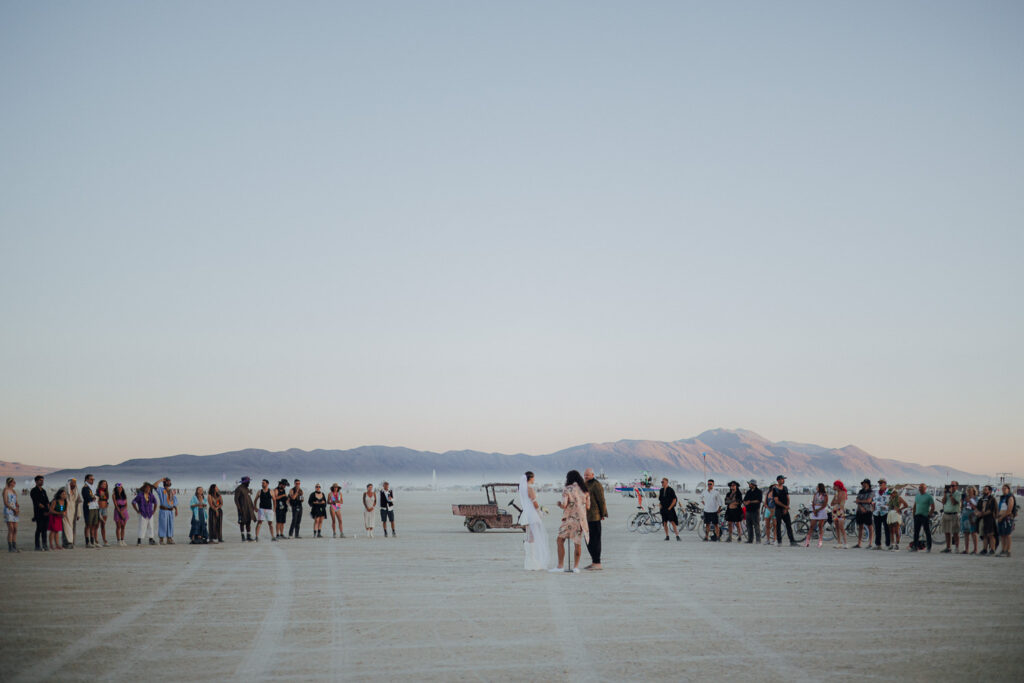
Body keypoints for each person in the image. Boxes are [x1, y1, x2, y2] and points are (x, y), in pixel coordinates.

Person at [551, 470, 589, 573]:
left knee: (560, 540)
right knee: (577, 543)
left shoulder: (567, 489)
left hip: (570, 519)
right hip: (581, 520)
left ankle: (560, 566)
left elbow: (564, 505)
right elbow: (588, 506)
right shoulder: (585, 490)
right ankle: (576, 567)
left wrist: (559, 504)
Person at [520, 471, 549, 571]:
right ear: (530, 478)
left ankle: (529, 560)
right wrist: (539, 512)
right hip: (532, 513)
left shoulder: (523, 489)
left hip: (526, 513)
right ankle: (532, 561)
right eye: (533, 478)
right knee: (532, 537)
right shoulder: (529, 488)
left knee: (528, 536)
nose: (534, 479)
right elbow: (534, 502)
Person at [583, 468, 608, 569]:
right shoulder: (584, 484)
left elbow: (601, 500)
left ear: (593, 475)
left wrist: (603, 513)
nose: (586, 476)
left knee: (595, 540)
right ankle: (594, 561)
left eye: (587, 475)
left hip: (595, 516)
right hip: (585, 517)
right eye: (585, 475)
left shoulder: (596, 484)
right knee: (588, 540)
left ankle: (597, 563)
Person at [773, 475, 797, 546]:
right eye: (782, 479)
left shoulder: (785, 488)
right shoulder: (775, 489)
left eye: (783, 479)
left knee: (788, 525)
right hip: (778, 509)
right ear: (778, 480)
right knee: (778, 525)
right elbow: (776, 501)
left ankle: (792, 541)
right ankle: (779, 541)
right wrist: (785, 506)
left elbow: (788, 498)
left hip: (785, 509)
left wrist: (786, 508)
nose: (783, 480)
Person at [911, 483, 935, 552]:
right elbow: (915, 506)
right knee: (916, 532)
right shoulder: (917, 496)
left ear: (925, 488)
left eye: (921, 487)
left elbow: (933, 507)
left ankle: (929, 547)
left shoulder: (929, 497)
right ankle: (915, 546)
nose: (920, 489)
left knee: (927, 532)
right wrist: (914, 515)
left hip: (924, 516)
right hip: (917, 516)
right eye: (919, 487)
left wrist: (929, 515)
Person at [940, 481, 962, 553]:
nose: (951, 487)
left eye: (953, 485)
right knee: (947, 532)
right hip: (946, 513)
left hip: (954, 514)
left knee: (955, 532)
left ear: (956, 486)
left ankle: (957, 548)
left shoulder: (958, 494)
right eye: (950, 485)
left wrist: (951, 494)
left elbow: (954, 502)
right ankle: (948, 547)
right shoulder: (947, 493)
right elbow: (943, 502)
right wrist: (945, 494)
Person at [30, 475, 50, 551]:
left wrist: (48, 510)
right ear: (36, 481)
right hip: (39, 513)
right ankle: (37, 546)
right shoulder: (33, 491)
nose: (42, 482)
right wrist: (45, 509)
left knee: (45, 529)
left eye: (42, 480)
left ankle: (45, 545)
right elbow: (37, 503)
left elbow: (47, 501)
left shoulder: (43, 491)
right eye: (40, 480)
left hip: (46, 512)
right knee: (39, 529)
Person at [806, 483, 828, 548]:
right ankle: (807, 541)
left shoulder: (825, 495)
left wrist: (817, 510)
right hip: (815, 510)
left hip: (821, 510)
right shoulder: (815, 494)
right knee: (811, 526)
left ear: (820, 487)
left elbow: (824, 504)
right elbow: (813, 503)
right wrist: (814, 510)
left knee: (820, 526)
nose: (816, 488)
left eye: (817, 487)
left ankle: (820, 542)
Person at [996, 484, 1015, 558]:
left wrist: (1002, 517)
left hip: (1007, 518)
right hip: (1001, 517)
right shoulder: (1002, 497)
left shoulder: (1010, 497)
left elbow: (1009, 510)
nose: (1003, 490)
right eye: (1002, 488)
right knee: (1002, 535)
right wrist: (998, 516)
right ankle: (1003, 549)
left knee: (1008, 534)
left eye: (1005, 488)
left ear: (1008, 489)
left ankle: (1008, 550)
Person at [871, 479, 892, 550]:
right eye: (879, 483)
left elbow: (891, 500)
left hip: (885, 512)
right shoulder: (876, 491)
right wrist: (873, 507)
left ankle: (888, 544)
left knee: (887, 529)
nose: (880, 485)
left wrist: (886, 506)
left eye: (881, 483)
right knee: (877, 529)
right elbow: (873, 500)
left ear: (885, 484)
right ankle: (878, 544)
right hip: (877, 512)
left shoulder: (889, 491)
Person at [976, 486, 997, 555]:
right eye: (984, 489)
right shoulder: (981, 499)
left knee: (991, 534)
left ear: (990, 491)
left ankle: (992, 549)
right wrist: (977, 513)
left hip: (990, 519)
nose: (984, 490)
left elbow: (991, 510)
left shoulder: (992, 499)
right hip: (982, 519)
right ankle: (984, 549)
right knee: (984, 534)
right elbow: (977, 508)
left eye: (986, 489)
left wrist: (982, 513)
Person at [233, 477, 256, 542]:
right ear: (245, 482)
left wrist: (253, 507)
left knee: (248, 522)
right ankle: (243, 537)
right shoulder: (239, 489)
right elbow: (236, 499)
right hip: (242, 508)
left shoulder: (247, 488)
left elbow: (249, 498)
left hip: (249, 508)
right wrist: (239, 508)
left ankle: (248, 536)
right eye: (248, 482)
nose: (249, 483)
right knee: (242, 522)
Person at [886, 485, 908, 551]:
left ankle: (897, 545)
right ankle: (892, 544)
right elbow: (888, 505)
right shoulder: (890, 498)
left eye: (891, 494)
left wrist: (900, 509)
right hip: (890, 514)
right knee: (891, 531)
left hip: (896, 514)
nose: (890, 495)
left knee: (896, 531)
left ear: (894, 493)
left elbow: (906, 505)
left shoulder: (899, 498)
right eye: (890, 494)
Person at [157, 478, 178, 545]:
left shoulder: (171, 491)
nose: (169, 482)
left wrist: (176, 509)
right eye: (167, 481)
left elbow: (174, 501)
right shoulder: (161, 490)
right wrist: (160, 480)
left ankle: (169, 539)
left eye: (169, 481)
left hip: (170, 511)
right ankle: (161, 539)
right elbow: (154, 486)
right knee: (162, 524)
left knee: (170, 524)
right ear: (164, 482)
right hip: (163, 510)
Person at [853, 479, 874, 548]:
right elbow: (857, 500)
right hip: (860, 510)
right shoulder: (861, 491)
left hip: (868, 510)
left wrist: (860, 501)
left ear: (867, 484)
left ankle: (870, 543)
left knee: (870, 526)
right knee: (860, 526)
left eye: (864, 483)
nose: (863, 484)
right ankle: (859, 543)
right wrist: (861, 506)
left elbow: (869, 501)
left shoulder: (871, 492)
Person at [659, 477, 680, 541]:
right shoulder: (661, 490)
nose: (662, 483)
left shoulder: (670, 490)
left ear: (666, 482)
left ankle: (677, 536)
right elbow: (660, 500)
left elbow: (674, 499)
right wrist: (660, 506)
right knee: (664, 523)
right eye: (661, 482)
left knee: (672, 522)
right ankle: (667, 536)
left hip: (670, 509)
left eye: (663, 482)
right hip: (663, 509)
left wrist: (670, 507)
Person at [81, 474, 99, 548]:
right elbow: (88, 497)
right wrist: (94, 497)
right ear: (86, 480)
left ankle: (92, 541)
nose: (92, 480)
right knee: (88, 525)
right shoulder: (85, 488)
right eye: (91, 479)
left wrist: (94, 497)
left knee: (94, 525)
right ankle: (87, 542)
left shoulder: (94, 487)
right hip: (88, 508)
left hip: (95, 507)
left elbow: (97, 495)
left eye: (93, 479)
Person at [960, 486, 978, 555]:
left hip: (972, 516)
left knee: (973, 532)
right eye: (968, 491)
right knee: (966, 533)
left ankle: (975, 549)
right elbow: (963, 506)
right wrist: (962, 502)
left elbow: (976, 508)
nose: (969, 492)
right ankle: (966, 549)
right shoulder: (966, 498)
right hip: (965, 515)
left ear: (973, 491)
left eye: (970, 490)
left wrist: (970, 501)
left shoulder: (976, 498)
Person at [4, 477, 20, 553]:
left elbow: (16, 502)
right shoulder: (6, 490)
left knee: (15, 529)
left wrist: (17, 508)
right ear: (10, 482)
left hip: (15, 510)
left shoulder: (14, 491)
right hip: (9, 510)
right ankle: (10, 547)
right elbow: (6, 502)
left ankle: (14, 546)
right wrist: (13, 509)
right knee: (11, 529)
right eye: (13, 482)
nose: (14, 483)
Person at [63, 477, 80, 548]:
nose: (74, 484)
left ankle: (72, 542)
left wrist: (79, 513)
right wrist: (62, 510)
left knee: (72, 528)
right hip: (65, 512)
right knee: (66, 528)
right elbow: (60, 502)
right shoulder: (63, 491)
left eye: (75, 483)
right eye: (72, 483)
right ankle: (66, 543)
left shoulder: (76, 492)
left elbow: (78, 503)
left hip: (73, 512)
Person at [831, 480, 848, 549]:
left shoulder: (843, 492)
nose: (833, 487)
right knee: (837, 527)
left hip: (840, 511)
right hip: (835, 511)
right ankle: (839, 542)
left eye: (834, 486)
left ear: (838, 486)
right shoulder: (836, 494)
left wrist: (836, 501)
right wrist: (836, 501)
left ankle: (845, 543)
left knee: (841, 527)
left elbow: (840, 502)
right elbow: (832, 503)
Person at [96, 480, 110, 547]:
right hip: (99, 509)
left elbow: (106, 500)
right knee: (96, 525)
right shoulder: (97, 491)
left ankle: (104, 540)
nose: (104, 485)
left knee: (103, 525)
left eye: (105, 484)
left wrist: (107, 504)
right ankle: (96, 540)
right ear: (100, 484)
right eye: (103, 484)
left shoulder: (106, 492)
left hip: (105, 509)